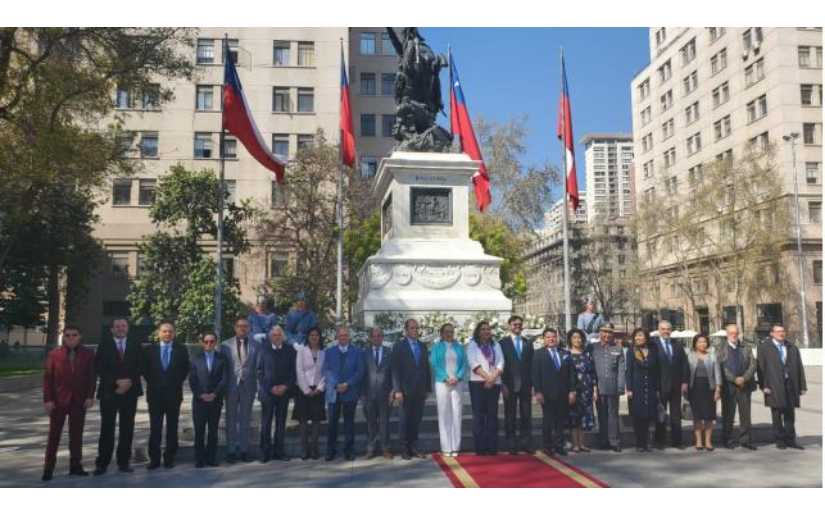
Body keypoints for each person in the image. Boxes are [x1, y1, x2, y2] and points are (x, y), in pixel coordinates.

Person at [42, 325, 96, 481]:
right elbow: (48, 379)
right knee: (54, 436)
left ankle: (76, 466)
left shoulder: (88, 354)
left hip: (79, 401)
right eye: (68, 335)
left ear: (80, 336)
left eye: (74, 335)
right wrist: (48, 400)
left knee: (76, 435)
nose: (71, 338)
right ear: (63, 337)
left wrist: (90, 396)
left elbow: (92, 377)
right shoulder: (54, 354)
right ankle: (48, 468)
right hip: (58, 402)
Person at [93, 318, 142, 476]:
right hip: (109, 392)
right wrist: (116, 382)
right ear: (112, 329)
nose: (121, 328)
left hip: (130, 391)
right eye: (117, 326)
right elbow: (99, 367)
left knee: (127, 428)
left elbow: (140, 365)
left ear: (128, 328)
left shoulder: (135, 344)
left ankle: (124, 462)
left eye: (123, 326)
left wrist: (129, 381)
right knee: (107, 428)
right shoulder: (104, 344)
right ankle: (102, 463)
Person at [142, 321, 190, 470]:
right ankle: (154, 459)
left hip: (174, 395)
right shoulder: (149, 350)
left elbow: (185, 369)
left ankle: (169, 458)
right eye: (164, 331)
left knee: (172, 427)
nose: (167, 334)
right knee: (155, 428)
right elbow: (145, 370)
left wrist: (173, 382)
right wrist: (157, 383)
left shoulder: (181, 350)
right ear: (159, 333)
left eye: (170, 331)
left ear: (174, 333)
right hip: (155, 395)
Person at [757, 324, 807, 450]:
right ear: (772, 333)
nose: (781, 333)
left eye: (783, 331)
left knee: (790, 414)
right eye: (778, 331)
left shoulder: (791, 347)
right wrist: (763, 385)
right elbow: (761, 368)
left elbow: (799, 367)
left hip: (790, 384)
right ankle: (779, 440)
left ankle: (790, 439)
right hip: (773, 384)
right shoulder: (764, 347)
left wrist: (802, 385)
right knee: (777, 413)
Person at [220, 317, 260, 463]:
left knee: (245, 419)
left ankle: (244, 450)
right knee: (230, 419)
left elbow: (258, 367)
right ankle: (231, 451)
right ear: (235, 328)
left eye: (245, 326)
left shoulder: (256, 345)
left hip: (248, 386)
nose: (242, 328)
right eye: (239, 326)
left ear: (249, 328)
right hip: (231, 386)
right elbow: (222, 368)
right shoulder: (225, 345)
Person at [322, 325, 364, 461]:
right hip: (334, 392)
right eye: (341, 335)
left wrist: (347, 384)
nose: (343, 337)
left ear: (349, 337)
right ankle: (330, 451)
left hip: (350, 392)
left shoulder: (357, 352)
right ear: (337, 337)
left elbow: (360, 372)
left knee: (349, 423)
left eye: (345, 335)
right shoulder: (329, 352)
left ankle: (349, 451)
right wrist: (336, 384)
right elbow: (326, 370)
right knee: (332, 423)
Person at [532, 327, 576, 456]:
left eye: (553, 336)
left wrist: (572, 391)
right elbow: (535, 374)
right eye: (548, 337)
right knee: (548, 420)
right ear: (544, 339)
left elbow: (571, 373)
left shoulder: (565, 353)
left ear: (557, 338)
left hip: (563, 393)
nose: (551, 339)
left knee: (560, 421)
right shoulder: (538, 354)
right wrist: (538, 391)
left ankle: (559, 445)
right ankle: (547, 446)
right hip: (546, 393)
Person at [392, 318, 432, 459]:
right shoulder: (399, 346)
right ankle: (404, 448)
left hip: (420, 390)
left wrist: (427, 388)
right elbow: (395, 369)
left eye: (416, 328)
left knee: (416, 420)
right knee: (404, 421)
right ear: (406, 330)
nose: (415, 330)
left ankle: (414, 447)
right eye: (412, 328)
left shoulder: (422, 346)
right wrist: (397, 390)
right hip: (404, 390)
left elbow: (426, 368)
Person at [257, 325, 297, 462]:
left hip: (284, 393)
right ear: (270, 337)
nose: (277, 337)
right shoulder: (263, 350)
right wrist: (270, 388)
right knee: (266, 423)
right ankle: (265, 452)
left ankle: (279, 452)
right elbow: (259, 371)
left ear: (283, 336)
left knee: (281, 423)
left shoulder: (290, 350)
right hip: (268, 393)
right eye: (274, 335)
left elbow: (293, 372)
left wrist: (285, 386)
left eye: (279, 335)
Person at [189, 332, 228, 467]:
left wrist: (214, 394)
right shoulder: (195, 358)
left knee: (213, 431)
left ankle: (211, 458)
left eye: (212, 341)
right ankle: (199, 459)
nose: (209, 344)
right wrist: (201, 395)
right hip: (199, 401)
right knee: (199, 431)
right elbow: (192, 380)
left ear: (215, 343)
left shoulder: (222, 359)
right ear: (202, 343)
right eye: (206, 341)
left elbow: (224, 379)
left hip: (215, 400)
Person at [716, 323, 757, 450]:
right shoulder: (720, 348)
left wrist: (744, 378)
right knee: (728, 415)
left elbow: (753, 364)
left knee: (745, 415)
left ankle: (745, 440)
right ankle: (727, 439)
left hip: (745, 385)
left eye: (736, 333)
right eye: (731, 333)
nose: (734, 335)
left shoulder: (746, 347)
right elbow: (721, 367)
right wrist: (734, 379)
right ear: (727, 334)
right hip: (728, 387)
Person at [467, 320, 504, 456]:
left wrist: (492, 378)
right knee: (479, 415)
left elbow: (501, 362)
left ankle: (492, 446)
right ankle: (480, 447)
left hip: (494, 383)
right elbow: (473, 363)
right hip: (477, 383)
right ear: (478, 331)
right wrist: (487, 378)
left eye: (488, 329)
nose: (486, 331)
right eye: (483, 329)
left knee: (492, 415)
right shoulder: (473, 345)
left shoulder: (496, 345)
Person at [430, 323, 467, 457]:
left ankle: (455, 446)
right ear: (441, 333)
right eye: (446, 331)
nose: (449, 334)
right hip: (442, 383)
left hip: (457, 383)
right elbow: (434, 363)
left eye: (451, 331)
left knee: (457, 414)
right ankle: (446, 447)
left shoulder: (459, 347)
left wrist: (457, 377)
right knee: (444, 414)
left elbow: (464, 364)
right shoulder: (436, 347)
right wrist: (445, 378)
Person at [499, 315, 534, 454]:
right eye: (515, 324)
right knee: (510, 414)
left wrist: (533, 385)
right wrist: (502, 384)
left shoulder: (527, 342)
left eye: (520, 324)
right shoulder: (502, 343)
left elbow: (531, 364)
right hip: (509, 384)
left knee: (526, 414)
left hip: (525, 384)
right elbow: (500, 364)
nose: (517, 326)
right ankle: (511, 443)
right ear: (509, 326)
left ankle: (526, 443)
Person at [651, 320, 689, 449]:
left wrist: (684, 381)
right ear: (659, 330)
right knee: (660, 415)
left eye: (668, 329)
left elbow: (684, 364)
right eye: (663, 329)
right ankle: (660, 441)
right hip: (660, 386)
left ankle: (677, 441)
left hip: (676, 385)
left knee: (676, 415)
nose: (666, 331)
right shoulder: (654, 345)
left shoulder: (677, 345)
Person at [591, 324, 625, 452]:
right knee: (601, 415)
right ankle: (603, 441)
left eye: (609, 332)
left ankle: (614, 441)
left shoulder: (618, 348)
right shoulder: (593, 348)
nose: (607, 335)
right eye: (604, 332)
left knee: (613, 416)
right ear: (600, 333)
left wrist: (620, 386)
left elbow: (621, 369)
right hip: (599, 387)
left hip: (613, 387)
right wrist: (592, 387)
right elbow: (590, 368)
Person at [293, 327, 326, 460]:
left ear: (319, 337)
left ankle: (314, 449)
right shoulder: (301, 351)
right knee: (303, 421)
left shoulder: (324, 353)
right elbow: (299, 370)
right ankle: (304, 450)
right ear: (308, 337)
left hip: (318, 390)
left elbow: (326, 372)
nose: (314, 337)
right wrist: (306, 389)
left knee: (316, 421)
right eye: (311, 335)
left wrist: (319, 388)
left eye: (316, 335)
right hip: (303, 390)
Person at [361, 327, 394, 459]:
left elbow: (393, 373)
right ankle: (370, 449)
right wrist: (362, 394)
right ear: (370, 338)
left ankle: (386, 448)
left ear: (382, 337)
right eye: (374, 336)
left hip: (385, 394)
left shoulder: (389, 352)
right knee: (370, 423)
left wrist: (393, 390)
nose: (377, 338)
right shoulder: (364, 353)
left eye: (379, 335)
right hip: (368, 394)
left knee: (384, 423)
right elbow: (361, 373)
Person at [625, 328, 659, 452]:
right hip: (637, 386)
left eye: (641, 335)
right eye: (636, 336)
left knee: (649, 415)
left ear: (646, 337)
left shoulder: (653, 350)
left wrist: (657, 388)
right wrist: (629, 388)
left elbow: (657, 369)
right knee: (638, 416)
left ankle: (648, 442)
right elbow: (629, 371)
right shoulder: (631, 351)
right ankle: (640, 443)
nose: (638, 338)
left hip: (650, 386)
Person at [686, 334, 722, 451]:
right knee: (697, 416)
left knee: (709, 416)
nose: (702, 344)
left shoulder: (712, 355)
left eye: (704, 342)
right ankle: (698, 441)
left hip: (709, 388)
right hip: (694, 388)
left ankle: (708, 441)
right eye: (700, 342)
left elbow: (717, 373)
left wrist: (718, 389)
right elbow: (686, 372)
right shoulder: (690, 356)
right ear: (695, 344)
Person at [567, 328, 596, 453]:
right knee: (574, 417)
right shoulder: (566, 355)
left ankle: (582, 443)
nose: (577, 340)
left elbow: (592, 372)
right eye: (574, 337)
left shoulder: (587, 354)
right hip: (573, 390)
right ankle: (575, 444)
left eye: (579, 337)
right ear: (570, 340)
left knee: (585, 417)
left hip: (587, 390)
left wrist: (594, 389)